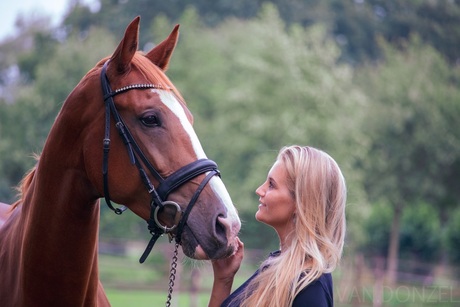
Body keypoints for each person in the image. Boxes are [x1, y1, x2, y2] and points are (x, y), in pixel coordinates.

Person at [208, 145, 346, 307]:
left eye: (272, 185)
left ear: (301, 202)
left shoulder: (309, 286)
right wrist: (223, 280)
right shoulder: (274, 268)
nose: (260, 190)